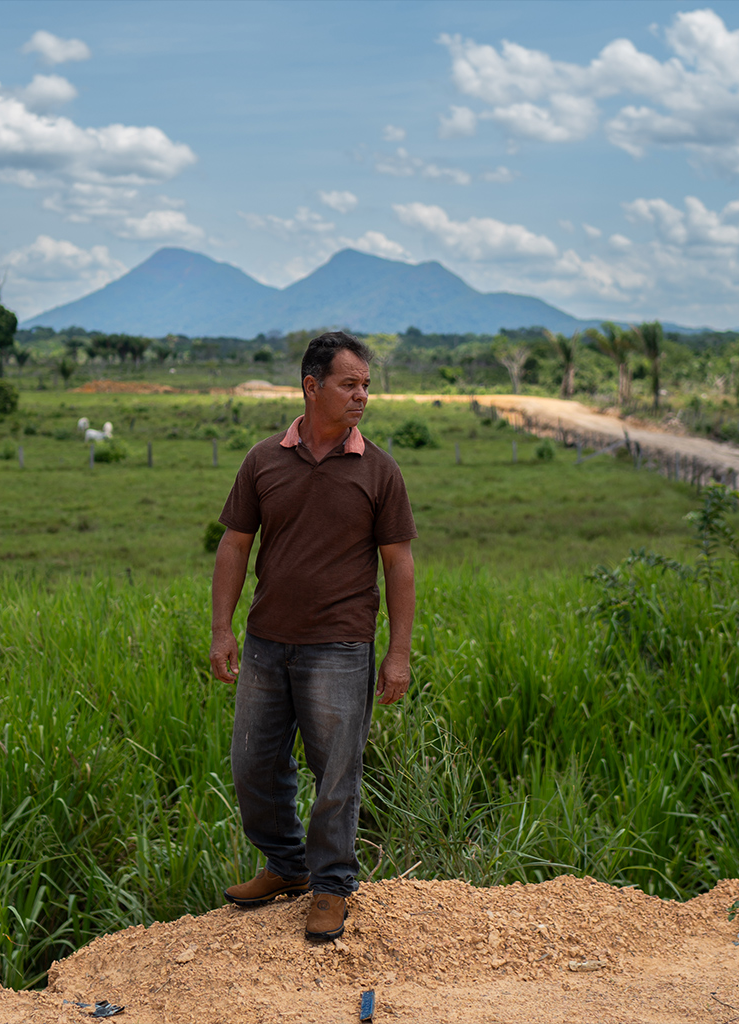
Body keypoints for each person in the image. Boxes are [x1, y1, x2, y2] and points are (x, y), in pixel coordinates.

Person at [209, 331, 417, 942]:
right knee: (253, 762)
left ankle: (330, 886)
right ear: (311, 386)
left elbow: (398, 564)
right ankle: (286, 866)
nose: (362, 396)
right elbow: (235, 544)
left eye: (366, 386)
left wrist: (398, 652)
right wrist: (222, 629)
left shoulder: (378, 469)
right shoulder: (263, 459)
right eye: (349, 384)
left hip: (341, 646)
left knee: (336, 773)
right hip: (266, 642)